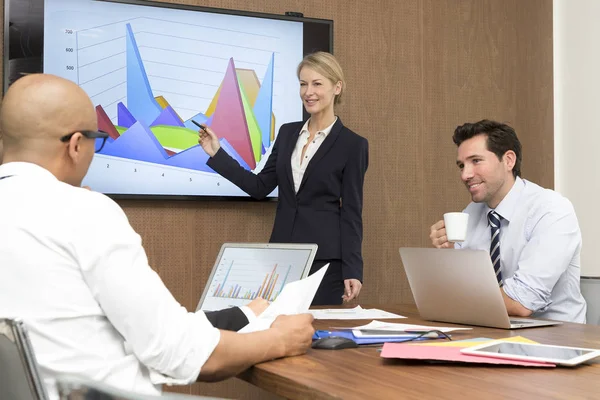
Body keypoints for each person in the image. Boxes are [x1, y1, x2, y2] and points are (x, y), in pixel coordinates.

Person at [0, 74, 314, 398]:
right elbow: (175, 352)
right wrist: (279, 339)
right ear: (76, 146)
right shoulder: (85, 212)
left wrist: (246, 314)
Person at [198, 52, 369, 305]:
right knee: (277, 330)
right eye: (303, 83)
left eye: (317, 83)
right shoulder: (288, 133)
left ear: (337, 87)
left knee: (316, 334)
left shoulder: (353, 145)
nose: (308, 92)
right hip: (281, 257)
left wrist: (352, 268)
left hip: (325, 262)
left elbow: (352, 212)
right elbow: (260, 187)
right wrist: (217, 154)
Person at [429, 120, 586, 323]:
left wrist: (453, 299)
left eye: (476, 161)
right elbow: (460, 288)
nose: (465, 175)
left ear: (508, 160)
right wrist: (449, 256)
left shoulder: (552, 210)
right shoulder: (471, 213)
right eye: (461, 165)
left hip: (555, 338)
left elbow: (521, 302)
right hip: (491, 332)